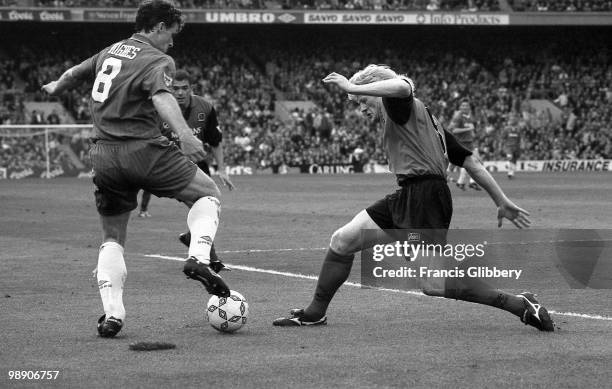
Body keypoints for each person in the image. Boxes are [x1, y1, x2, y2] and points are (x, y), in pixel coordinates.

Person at [273, 64, 554, 332]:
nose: (360, 109)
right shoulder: (429, 121)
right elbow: (471, 162)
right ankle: (315, 313)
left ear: (377, 91)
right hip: (409, 195)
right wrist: (501, 201)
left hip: (426, 198)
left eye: (361, 101)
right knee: (342, 241)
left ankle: (520, 304)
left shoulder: (398, 105)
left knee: (433, 283)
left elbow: (403, 86)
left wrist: (350, 84)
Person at [42, 0, 231, 338]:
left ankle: (113, 314)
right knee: (208, 194)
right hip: (143, 148)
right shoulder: (158, 59)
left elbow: (73, 74)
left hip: (103, 154)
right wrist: (186, 136)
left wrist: (56, 86)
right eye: (171, 34)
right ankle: (199, 258)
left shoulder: (110, 51)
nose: (172, 43)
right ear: (159, 27)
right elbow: (161, 97)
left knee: (112, 237)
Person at [137, 69, 235, 225]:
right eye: (176, 88)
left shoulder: (205, 108)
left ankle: (194, 237)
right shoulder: (157, 110)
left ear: (191, 88)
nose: (180, 92)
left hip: (198, 163)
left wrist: (222, 169)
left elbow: (215, 141)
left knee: (210, 205)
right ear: (169, 88)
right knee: (202, 208)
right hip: (168, 164)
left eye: (184, 88)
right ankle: (201, 242)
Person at [447, 99, 481, 191]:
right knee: (472, 162)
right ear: (460, 107)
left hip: (469, 142)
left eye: (466, 105)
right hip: (461, 143)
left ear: (469, 107)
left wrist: (471, 133)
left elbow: (470, 129)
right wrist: (468, 129)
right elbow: (454, 130)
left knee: (475, 161)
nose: (465, 107)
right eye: (463, 105)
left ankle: (463, 182)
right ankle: (468, 182)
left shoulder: (469, 117)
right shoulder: (458, 117)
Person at [504, 114, 522, 179]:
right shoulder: (506, 129)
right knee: (510, 158)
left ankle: (510, 173)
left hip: (516, 147)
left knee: (514, 160)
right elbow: (503, 137)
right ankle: (507, 164)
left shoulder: (518, 129)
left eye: (513, 120)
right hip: (509, 146)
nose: (512, 121)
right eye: (511, 120)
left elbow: (519, 139)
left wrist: (519, 146)